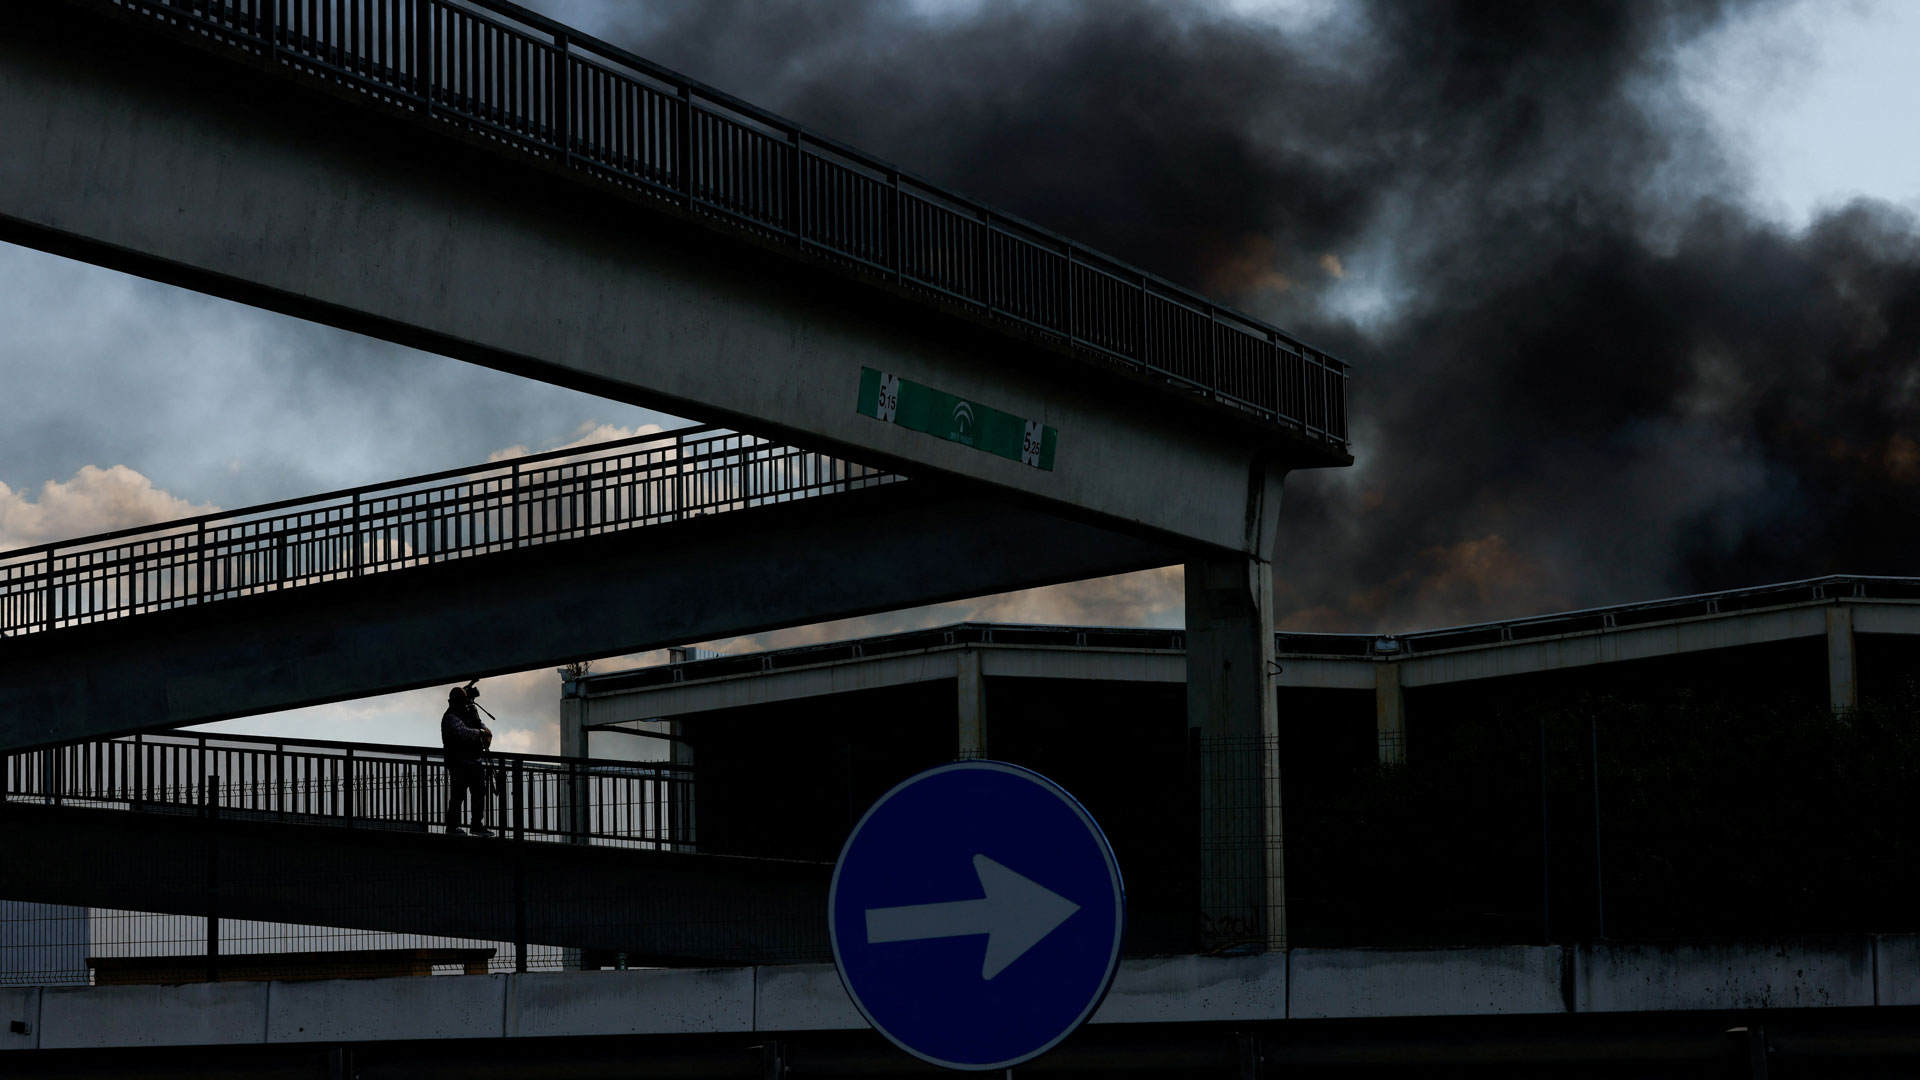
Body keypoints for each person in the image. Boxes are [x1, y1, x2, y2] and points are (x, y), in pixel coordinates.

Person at [441, 684, 494, 836]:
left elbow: (478, 725)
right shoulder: (450, 717)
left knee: (478, 794)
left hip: (473, 761)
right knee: (458, 796)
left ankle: (476, 826)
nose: (466, 703)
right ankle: (452, 827)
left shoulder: (466, 713)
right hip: (459, 763)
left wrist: (484, 731)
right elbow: (462, 732)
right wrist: (481, 733)